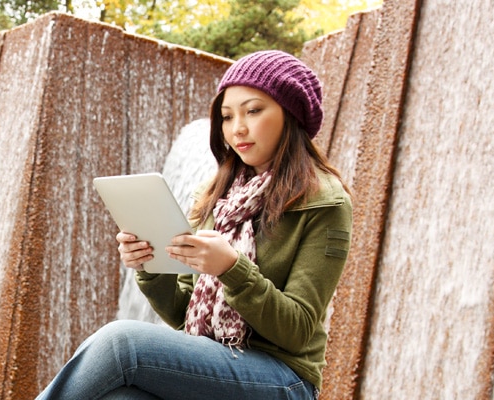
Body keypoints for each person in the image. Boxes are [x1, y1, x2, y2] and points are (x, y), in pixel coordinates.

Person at [37, 50, 352, 399]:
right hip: (212, 361)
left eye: (253, 111)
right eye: (227, 117)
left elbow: (297, 330)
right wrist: (149, 264)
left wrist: (232, 268)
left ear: (290, 114)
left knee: (120, 342)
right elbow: (182, 313)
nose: (237, 129)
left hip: (284, 377)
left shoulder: (325, 201)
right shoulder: (215, 194)